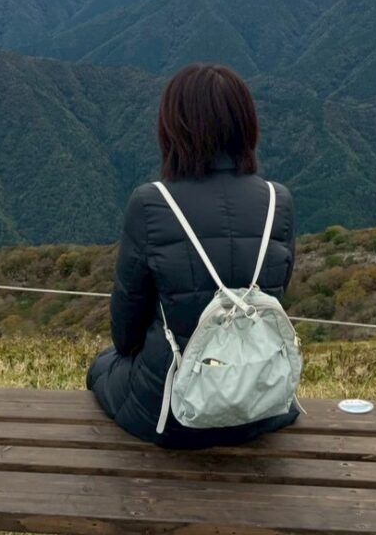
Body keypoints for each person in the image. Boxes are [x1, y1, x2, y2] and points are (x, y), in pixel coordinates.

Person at [87, 63, 298, 449]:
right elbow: (274, 297)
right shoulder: (277, 200)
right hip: (265, 406)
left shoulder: (152, 202)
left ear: (173, 127)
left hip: (172, 414)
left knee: (102, 366)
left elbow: (125, 332)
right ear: (246, 126)